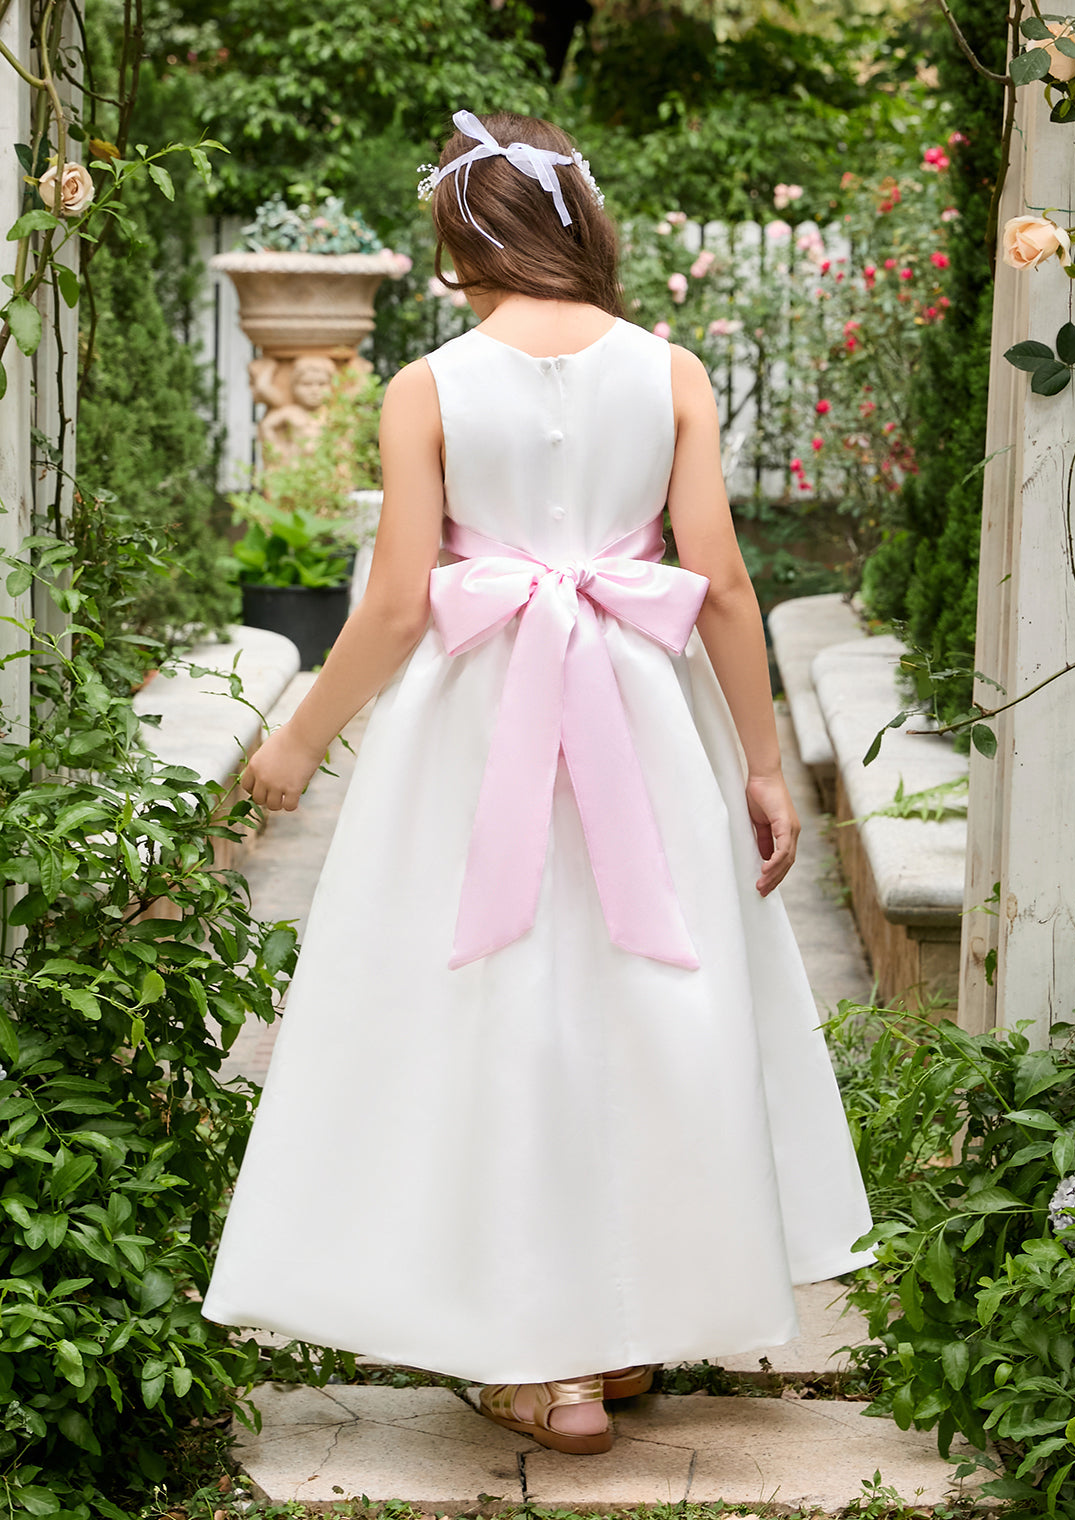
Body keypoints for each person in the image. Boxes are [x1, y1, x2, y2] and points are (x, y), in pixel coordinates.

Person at [202, 108, 875, 1458]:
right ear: (579, 221)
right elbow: (725, 587)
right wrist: (759, 761)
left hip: (476, 726)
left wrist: (296, 739)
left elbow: (396, 607)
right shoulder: (669, 369)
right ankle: (621, 1339)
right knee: (644, 1002)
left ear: (461, 231)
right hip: (642, 712)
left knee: (498, 1004)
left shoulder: (428, 387)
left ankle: (539, 1361)